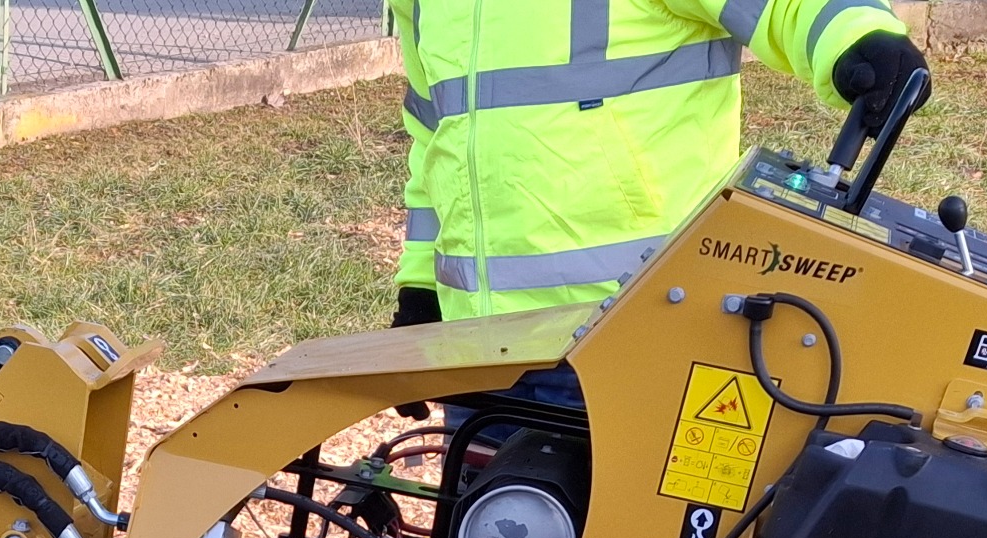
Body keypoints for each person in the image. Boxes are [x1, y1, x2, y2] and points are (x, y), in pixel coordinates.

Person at [388, 0, 931, 330]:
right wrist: (422, 284)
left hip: (633, 319)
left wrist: (856, 35)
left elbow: (790, 7)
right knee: (486, 492)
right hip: (474, 339)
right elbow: (435, 134)